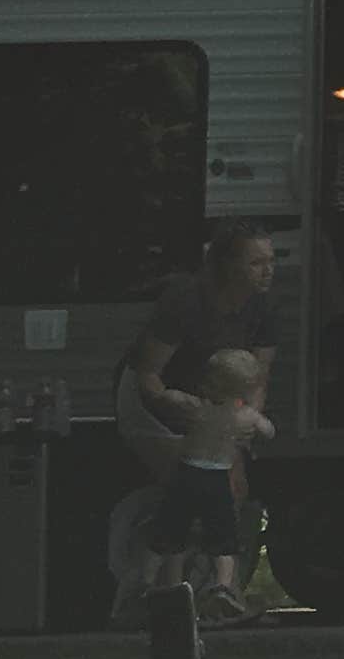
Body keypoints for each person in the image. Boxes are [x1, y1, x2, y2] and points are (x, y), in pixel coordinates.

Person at [118, 221, 280, 480]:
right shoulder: (186, 300)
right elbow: (147, 374)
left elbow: (258, 377)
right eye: (256, 263)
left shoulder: (263, 305)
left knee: (232, 483)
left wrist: (246, 421)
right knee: (188, 479)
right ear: (228, 265)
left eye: (271, 261)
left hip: (213, 405)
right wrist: (173, 404)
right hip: (155, 398)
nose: (268, 271)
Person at [149, 348, 274, 619]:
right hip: (217, 480)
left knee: (175, 534)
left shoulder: (196, 408)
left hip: (187, 476)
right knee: (223, 540)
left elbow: (168, 396)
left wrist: (164, 392)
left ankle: (171, 588)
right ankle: (223, 587)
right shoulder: (244, 417)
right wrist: (254, 423)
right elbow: (269, 431)